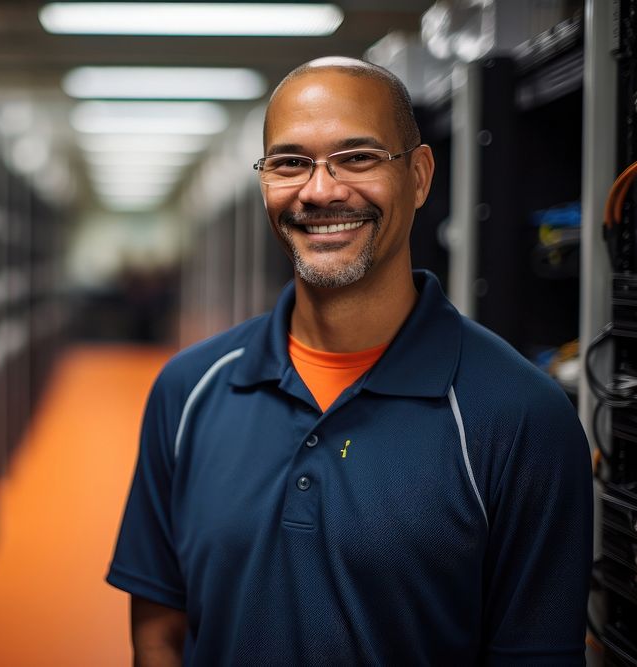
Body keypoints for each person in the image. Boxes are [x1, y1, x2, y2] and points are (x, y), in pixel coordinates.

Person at [106, 57, 593, 665]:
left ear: (418, 176)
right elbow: (159, 630)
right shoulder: (188, 389)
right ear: (264, 182)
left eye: (357, 157)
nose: (320, 190)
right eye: (289, 162)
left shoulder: (520, 418)